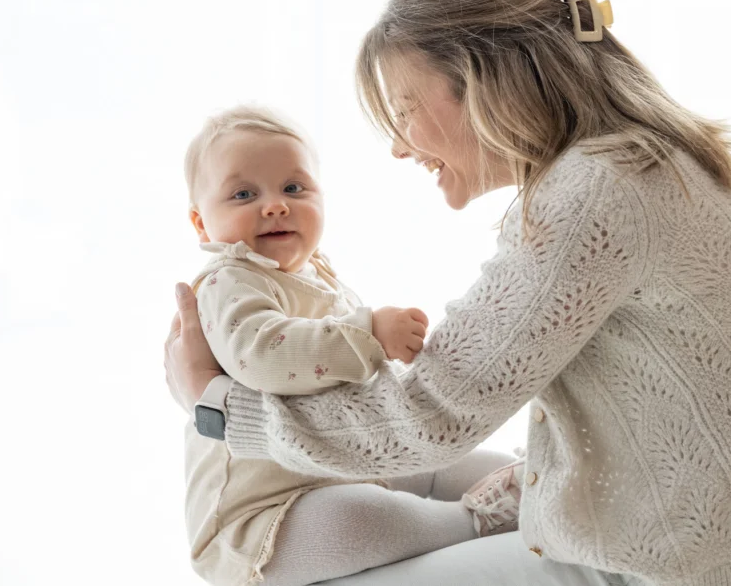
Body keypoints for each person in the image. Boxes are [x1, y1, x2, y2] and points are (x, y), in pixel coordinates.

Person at [165, 0, 731, 586]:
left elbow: (429, 416)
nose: (401, 149)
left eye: (405, 109)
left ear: (477, 81)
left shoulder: (593, 194)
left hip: (680, 565)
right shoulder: (648, 155)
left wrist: (216, 405)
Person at [179, 105, 525, 586]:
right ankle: (473, 521)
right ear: (201, 224)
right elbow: (264, 355)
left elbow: (349, 377)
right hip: (267, 516)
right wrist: (369, 332)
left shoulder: (317, 277)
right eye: (243, 194)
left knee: (442, 459)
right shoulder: (227, 281)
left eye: (294, 188)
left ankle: (532, 481)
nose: (275, 204)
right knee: (358, 518)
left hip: (342, 461)